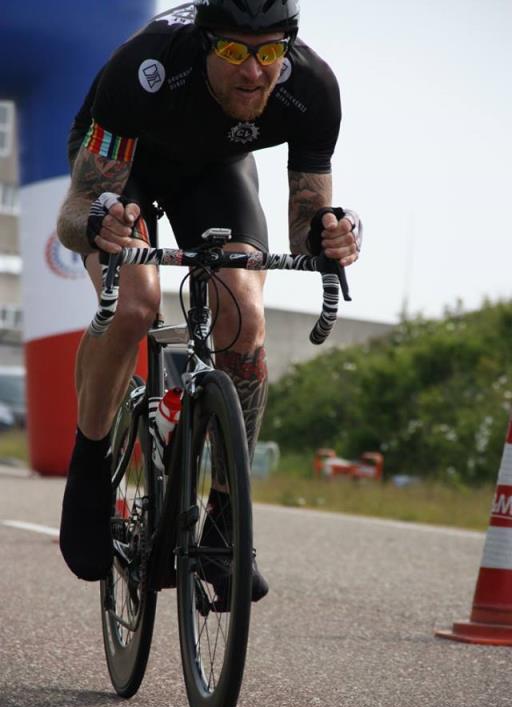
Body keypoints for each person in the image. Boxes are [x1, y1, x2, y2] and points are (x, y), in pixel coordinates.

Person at [56, 0, 362, 594]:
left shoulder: (312, 87)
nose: (254, 71)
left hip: (215, 173)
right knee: (135, 305)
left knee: (244, 320)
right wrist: (96, 226)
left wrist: (330, 235)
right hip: (124, 172)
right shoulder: (143, 68)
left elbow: (305, 225)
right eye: (233, 52)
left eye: (269, 51)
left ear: (288, 47)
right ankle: (89, 466)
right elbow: (72, 216)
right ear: (204, 44)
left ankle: (225, 521)